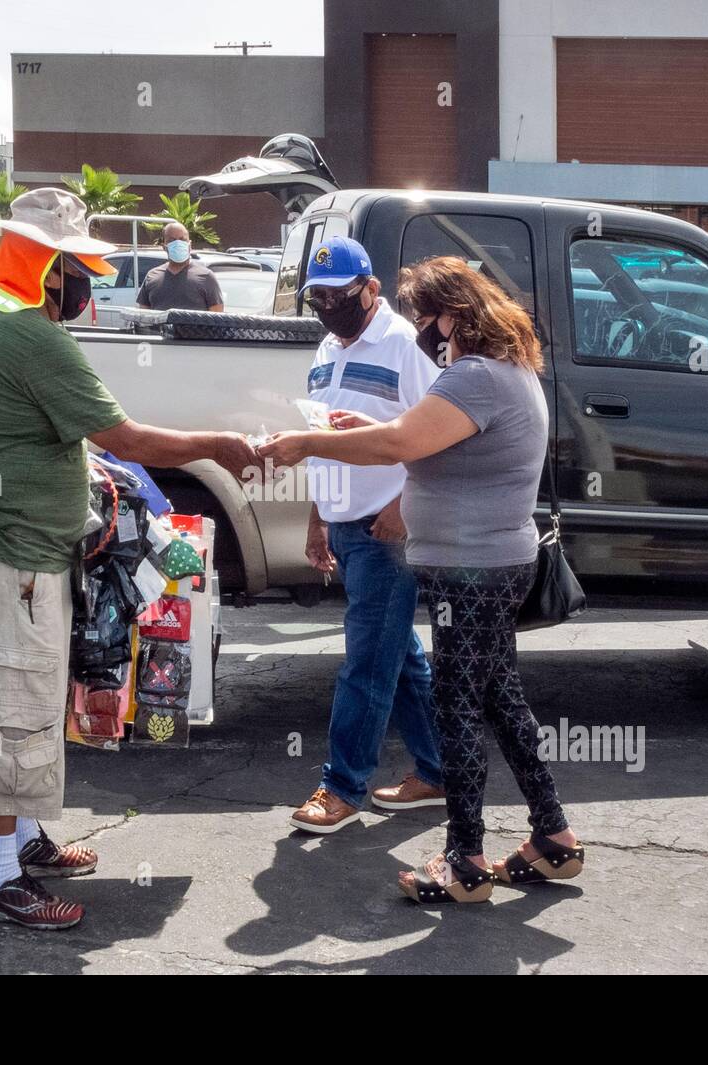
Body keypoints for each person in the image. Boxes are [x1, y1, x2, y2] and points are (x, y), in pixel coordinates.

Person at [0, 188, 256, 930]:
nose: (87, 280)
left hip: (12, 559)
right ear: (45, 267)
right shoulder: (31, 337)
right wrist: (220, 444)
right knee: (12, 717)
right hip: (8, 562)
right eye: (76, 264)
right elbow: (127, 438)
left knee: (31, 709)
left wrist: (22, 457)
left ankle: (26, 841)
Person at [259, 255, 584, 903]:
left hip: (473, 570)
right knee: (497, 699)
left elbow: (399, 446)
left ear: (454, 315)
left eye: (424, 317)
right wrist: (361, 429)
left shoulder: (473, 376)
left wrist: (311, 443)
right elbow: (419, 438)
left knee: (457, 706)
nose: (420, 331)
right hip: (491, 564)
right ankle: (553, 837)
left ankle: (464, 861)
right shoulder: (504, 371)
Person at [285, 235, 446, 834]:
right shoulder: (326, 349)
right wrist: (317, 515)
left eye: (337, 295)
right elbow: (324, 439)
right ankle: (440, 772)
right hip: (347, 525)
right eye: (317, 297)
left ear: (371, 290)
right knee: (397, 658)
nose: (327, 307)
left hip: (387, 531)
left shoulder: (407, 346)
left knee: (365, 665)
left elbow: (442, 432)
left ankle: (341, 786)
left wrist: (407, 505)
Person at [135, 221, 224, 312]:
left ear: (190, 245)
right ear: (164, 247)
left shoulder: (206, 276)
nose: (178, 243)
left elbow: (217, 317)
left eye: (182, 239)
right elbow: (144, 316)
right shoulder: (152, 276)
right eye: (172, 240)